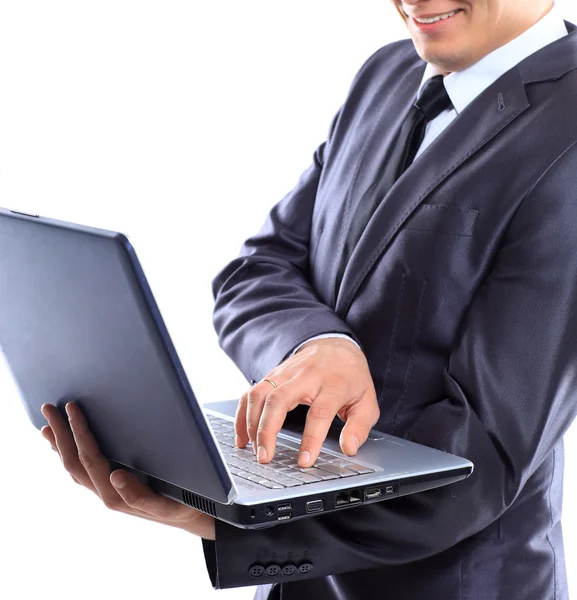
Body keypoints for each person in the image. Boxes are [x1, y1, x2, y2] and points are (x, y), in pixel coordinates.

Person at [40, 0, 577, 598]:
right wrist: (319, 343)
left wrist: (232, 529)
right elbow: (256, 270)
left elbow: (482, 459)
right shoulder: (387, 74)